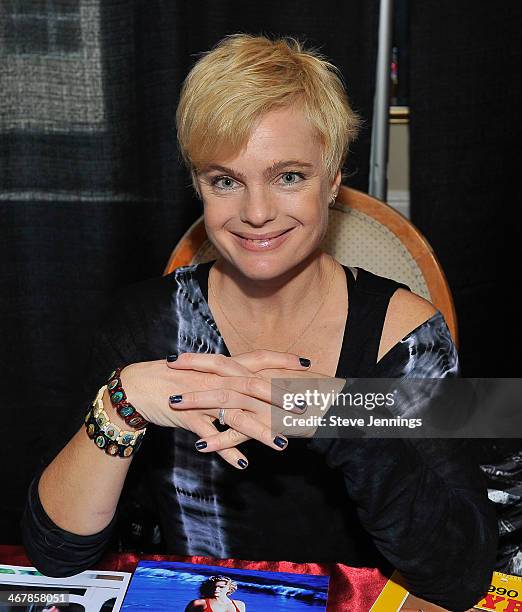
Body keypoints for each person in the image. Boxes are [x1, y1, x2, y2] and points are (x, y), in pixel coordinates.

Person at [21, 34, 497, 611]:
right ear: (200, 185)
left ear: (334, 176)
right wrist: (123, 403)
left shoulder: (405, 337)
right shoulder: (144, 321)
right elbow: (55, 556)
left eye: (288, 176)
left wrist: (341, 415)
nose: (255, 212)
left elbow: (461, 574)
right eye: (226, 180)